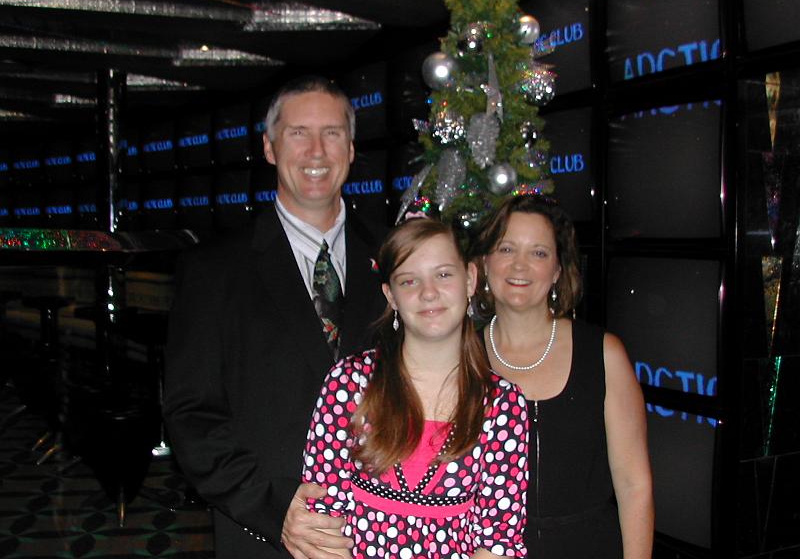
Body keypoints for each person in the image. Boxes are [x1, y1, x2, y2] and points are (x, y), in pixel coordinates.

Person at [163, 75, 387, 559]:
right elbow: (191, 414)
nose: (316, 151)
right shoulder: (214, 270)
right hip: (263, 534)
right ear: (269, 147)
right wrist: (274, 508)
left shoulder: (397, 259)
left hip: (388, 531)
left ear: (350, 149)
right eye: (297, 133)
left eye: (331, 133)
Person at [301, 217, 529, 559]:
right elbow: (321, 518)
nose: (428, 292)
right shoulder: (349, 384)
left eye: (443, 274)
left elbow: (498, 540)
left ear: (470, 279)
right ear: (390, 296)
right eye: (409, 281)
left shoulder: (503, 404)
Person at [469, 194, 654, 559]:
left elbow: (635, 486)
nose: (519, 266)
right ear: (485, 262)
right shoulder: (463, 359)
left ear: (556, 270)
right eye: (506, 249)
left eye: (538, 253)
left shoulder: (603, 354)